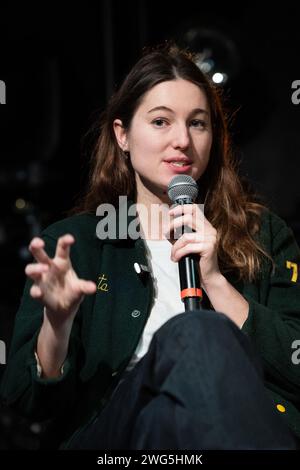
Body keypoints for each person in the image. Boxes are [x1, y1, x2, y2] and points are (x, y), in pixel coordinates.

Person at [1, 44, 300, 450]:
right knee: (191, 337)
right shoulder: (80, 244)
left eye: (198, 123)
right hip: (119, 438)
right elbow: (26, 401)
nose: (182, 140)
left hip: (229, 427)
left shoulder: (263, 234)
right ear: (122, 135)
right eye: (161, 122)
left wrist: (215, 280)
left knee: (188, 373)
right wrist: (58, 323)